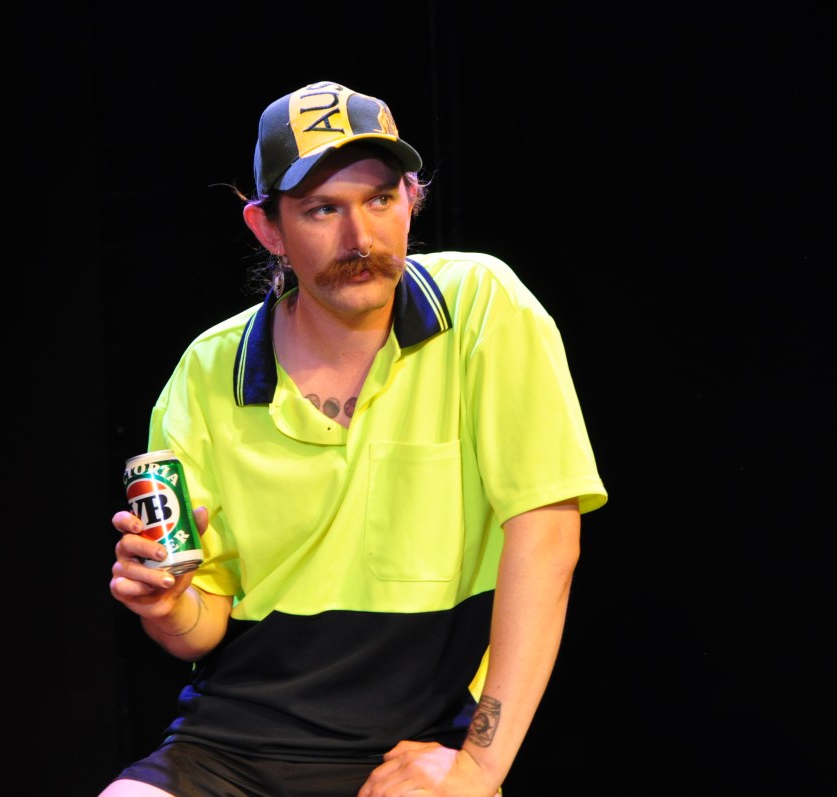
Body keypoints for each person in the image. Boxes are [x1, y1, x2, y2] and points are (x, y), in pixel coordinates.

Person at [100, 79, 608, 797]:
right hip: (234, 745)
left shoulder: (485, 307)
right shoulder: (207, 372)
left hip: (415, 745)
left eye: (379, 200)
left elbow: (548, 538)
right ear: (268, 229)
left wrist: (476, 767)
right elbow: (201, 624)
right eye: (322, 210)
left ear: (412, 200)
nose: (359, 239)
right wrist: (167, 603)